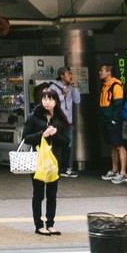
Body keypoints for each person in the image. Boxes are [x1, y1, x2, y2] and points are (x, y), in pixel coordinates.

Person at [23, 85, 71, 236]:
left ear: (56, 101)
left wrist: (54, 134)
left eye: (50, 99)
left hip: (53, 161)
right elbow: (26, 137)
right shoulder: (33, 117)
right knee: (38, 194)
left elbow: (65, 143)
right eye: (44, 98)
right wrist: (42, 134)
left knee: (52, 194)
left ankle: (50, 224)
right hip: (38, 160)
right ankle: (39, 225)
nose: (47, 102)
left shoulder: (60, 119)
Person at [101, 63, 127, 184]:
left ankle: (123, 173)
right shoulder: (104, 85)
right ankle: (114, 169)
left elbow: (118, 104)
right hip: (106, 119)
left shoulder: (116, 85)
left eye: (102, 70)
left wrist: (114, 119)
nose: (100, 72)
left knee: (119, 145)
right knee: (112, 145)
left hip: (113, 120)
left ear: (108, 72)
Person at [57, 68, 82, 177]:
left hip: (68, 121)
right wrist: (63, 95)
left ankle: (66, 168)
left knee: (68, 144)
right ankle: (56, 168)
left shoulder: (71, 87)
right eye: (68, 74)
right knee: (57, 145)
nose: (70, 75)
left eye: (71, 73)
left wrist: (74, 88)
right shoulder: (54, 86)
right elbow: (52, 101)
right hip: (57, 121)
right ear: (62, 76)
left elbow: (77, 101)